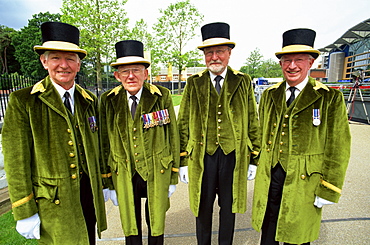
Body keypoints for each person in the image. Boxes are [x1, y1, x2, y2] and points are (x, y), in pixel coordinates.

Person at [2, 22, 110, 244]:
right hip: (53, 201)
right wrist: (24, 210)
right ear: (44, 61)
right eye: (55, 58)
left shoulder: (88, 100)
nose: (63, 65)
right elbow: (16, 161)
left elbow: (98, 146)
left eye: (70, 58)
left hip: (87, 195)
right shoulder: (24, 101)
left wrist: (104, 182)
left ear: (79, 64)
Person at [252, 28, 351, 245]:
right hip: (271, 177)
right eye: (287, 60)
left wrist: (328, 188)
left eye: (299, 59)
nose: (292, 66)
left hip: (305, 180)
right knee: (268, 233)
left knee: (297, 236)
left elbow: (339, 147)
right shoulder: (270, 95)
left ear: (311, 62)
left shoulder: (329, 98)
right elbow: (260, 134)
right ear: (280, 64)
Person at [177, 22, 260, 245]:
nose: (214, 57)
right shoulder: (194, 83)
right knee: (203, 208)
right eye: (209, 52)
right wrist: (183, 161)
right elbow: (182, 123)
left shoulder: (242, 81)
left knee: (228, 207)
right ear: (204, 55)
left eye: (219, 51)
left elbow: (253, 120)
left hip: (232, 156)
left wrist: (254, 158)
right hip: (202, 156)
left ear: (229, 53)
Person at [99, 40, 180, 245]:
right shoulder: (108, 100)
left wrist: (173, 176)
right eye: (125, 71)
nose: (131, 76)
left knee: (156, 222)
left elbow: (172, 135)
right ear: (117, 75)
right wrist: (107, 181)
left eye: (136, 70)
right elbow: (103, 142)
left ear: (145, 73)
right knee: (130, 225)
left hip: (156, 170)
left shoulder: (161, 96)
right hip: (124, 172)